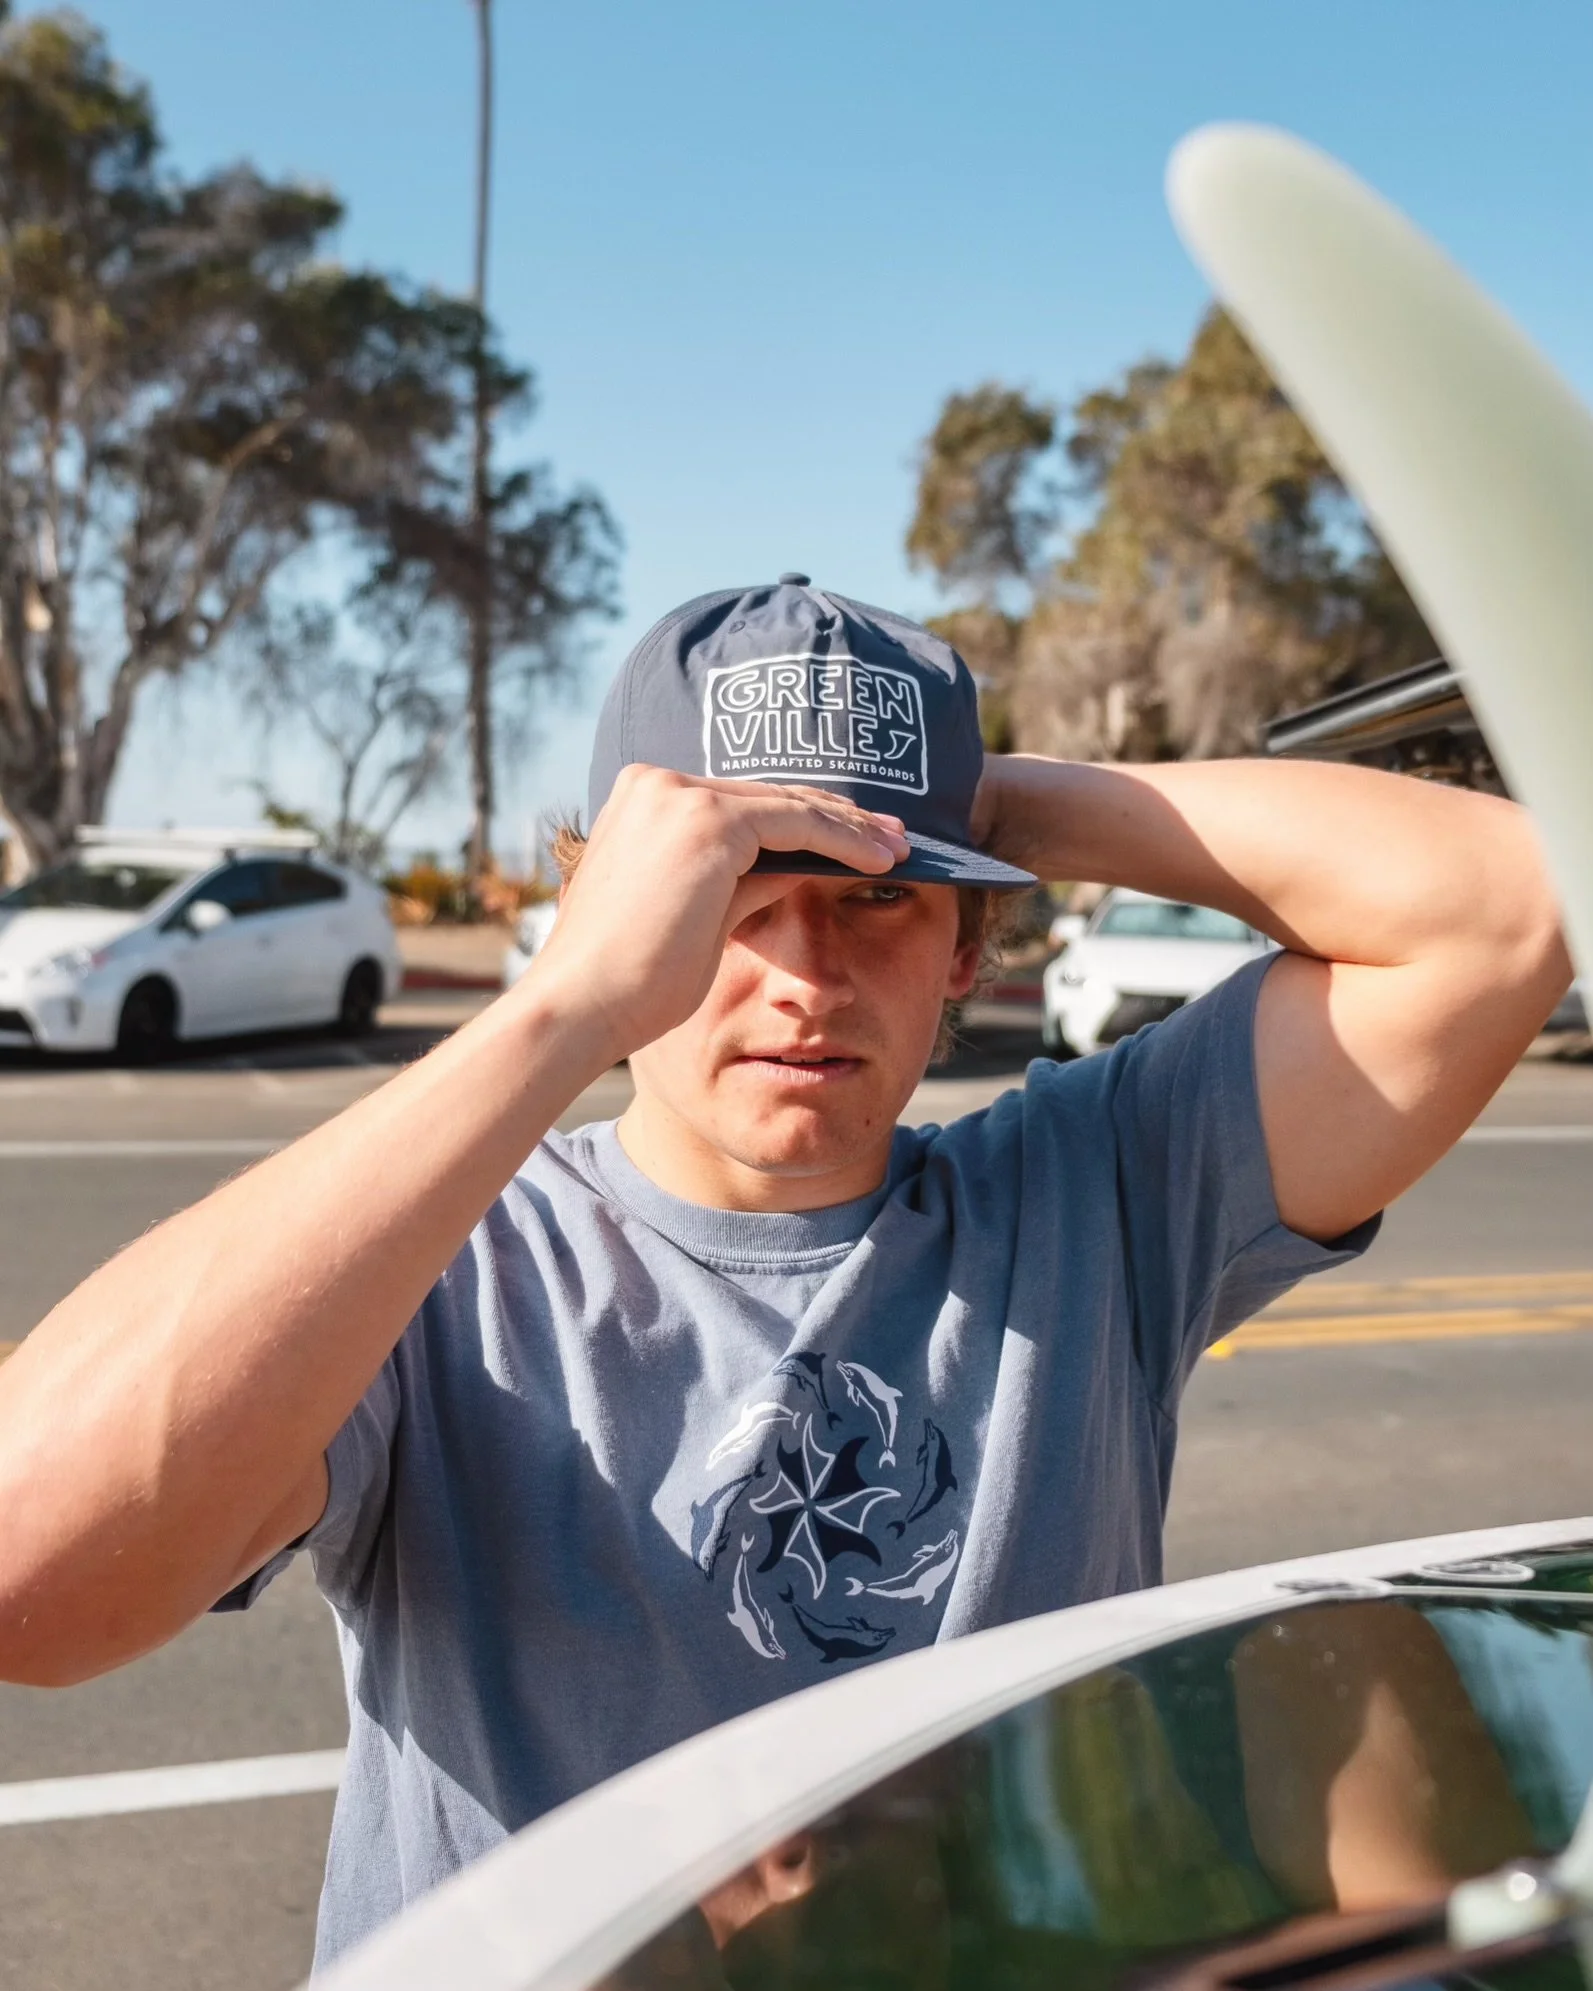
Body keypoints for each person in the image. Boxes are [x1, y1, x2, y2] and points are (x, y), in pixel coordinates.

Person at [0, 578, 1569, 1967]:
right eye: (734, 886)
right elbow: (32, 1570)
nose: (806, 976)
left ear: (967, 948)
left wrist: (993, 799)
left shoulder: (1097, 1195)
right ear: (613, 901)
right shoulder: (440, 1254)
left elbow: (1510, 908)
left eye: (878, 894)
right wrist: (558, 1008)